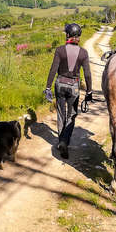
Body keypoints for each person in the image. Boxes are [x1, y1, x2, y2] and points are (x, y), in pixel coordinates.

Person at [44, 23, 92, 159]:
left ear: (68, 35)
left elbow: (53, 69)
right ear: (79, 37)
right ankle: (65, 141)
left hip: (60, 83)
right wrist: (89, 91)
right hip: (74, 86)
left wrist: (48, 87)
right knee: (71, 115)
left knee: (61, 113)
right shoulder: (83, 53)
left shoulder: (59, 50)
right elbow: (87, 74)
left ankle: (61, 141)